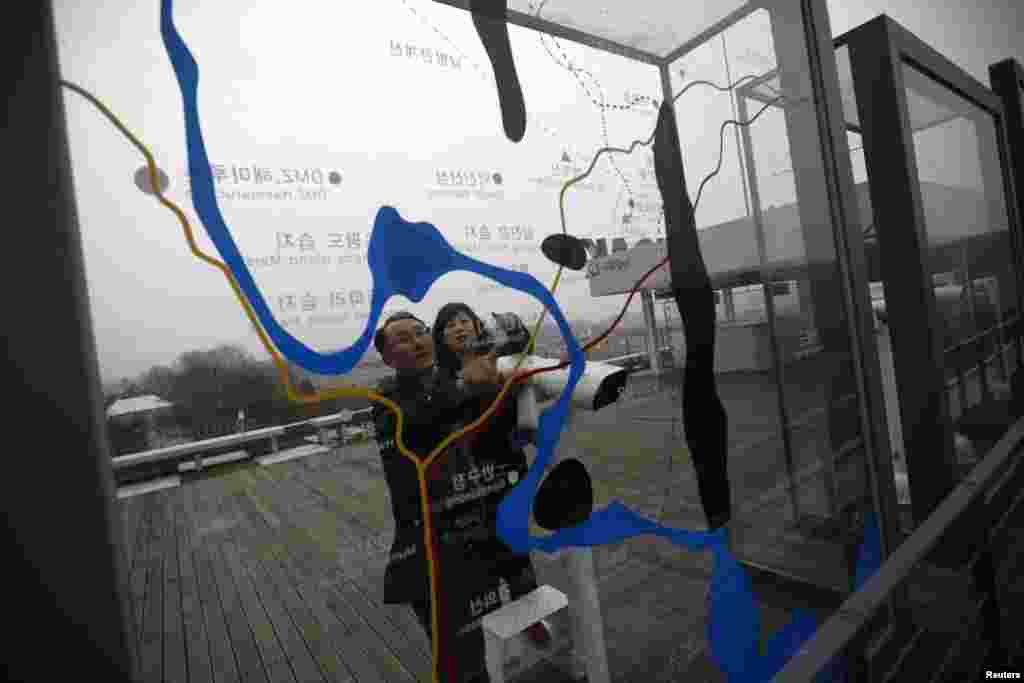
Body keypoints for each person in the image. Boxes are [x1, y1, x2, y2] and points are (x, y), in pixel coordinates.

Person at [370, 310, 544, 683]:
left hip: (477, 541)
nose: (416, 340)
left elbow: (498, 437)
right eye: (402, 338)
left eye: (420, 332)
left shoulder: (452, 384)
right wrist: (468, 381)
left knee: (486, 650)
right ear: (386, 356)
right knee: (459, 663)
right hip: (431, 556)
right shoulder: (386, 401)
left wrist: (512, 355)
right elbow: (421, 419)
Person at [432, 303, 553, 646]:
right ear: (441, 336)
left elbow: (523, 348)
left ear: (476, 326)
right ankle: (487, 632)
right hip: (465, 477)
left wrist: (515, 328)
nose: (459, 328)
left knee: (514, 544)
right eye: (449, 325)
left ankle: (529, 615)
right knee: (478, 550)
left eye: (464, 321)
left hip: (506, 464)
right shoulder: (440, 377)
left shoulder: (496, 356)